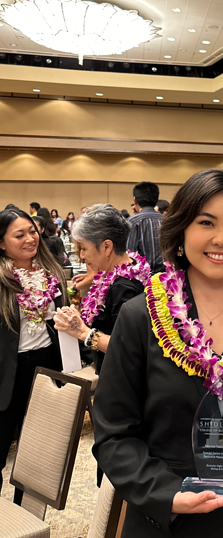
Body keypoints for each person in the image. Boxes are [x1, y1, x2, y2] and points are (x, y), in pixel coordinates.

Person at [92, 169, 223, 538]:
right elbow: (113, 434)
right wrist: (166, 494)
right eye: (206, 223)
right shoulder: (140, 316)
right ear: (181, 230)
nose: (221, 239)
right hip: (165, 534)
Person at [0, 209, 67, 498]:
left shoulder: (51, 273)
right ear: (2, 243)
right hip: (7, 370)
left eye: (32, 232)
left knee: (37, 448)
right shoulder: (3, 279)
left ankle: (24, 512)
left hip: (45, 364)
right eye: (19, 235)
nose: (30, 239)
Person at [53, 205, 151, 373]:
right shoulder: (127, 267)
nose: (82, 256)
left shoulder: (123, 287)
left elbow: (129, 347)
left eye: (84, 248)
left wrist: (83, 332)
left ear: (107, 247)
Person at [127, 181, 165, 273]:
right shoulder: (167, 221)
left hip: (142, 278)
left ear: (134, 200)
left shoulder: (132, 222)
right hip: (167, 278)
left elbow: (129, 254)